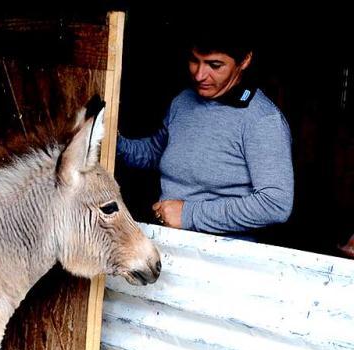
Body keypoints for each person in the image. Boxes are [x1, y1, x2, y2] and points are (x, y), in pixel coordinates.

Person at [117, 23, 294, 239]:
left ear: (244, 60)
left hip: (223, 257)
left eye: (215, 65)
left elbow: (276, 204)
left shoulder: (262, 120)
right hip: (165, 243)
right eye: (194, 60)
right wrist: (113, 143)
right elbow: (157, 152)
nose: (200, 75)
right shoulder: (182, 102)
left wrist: (189, 214)